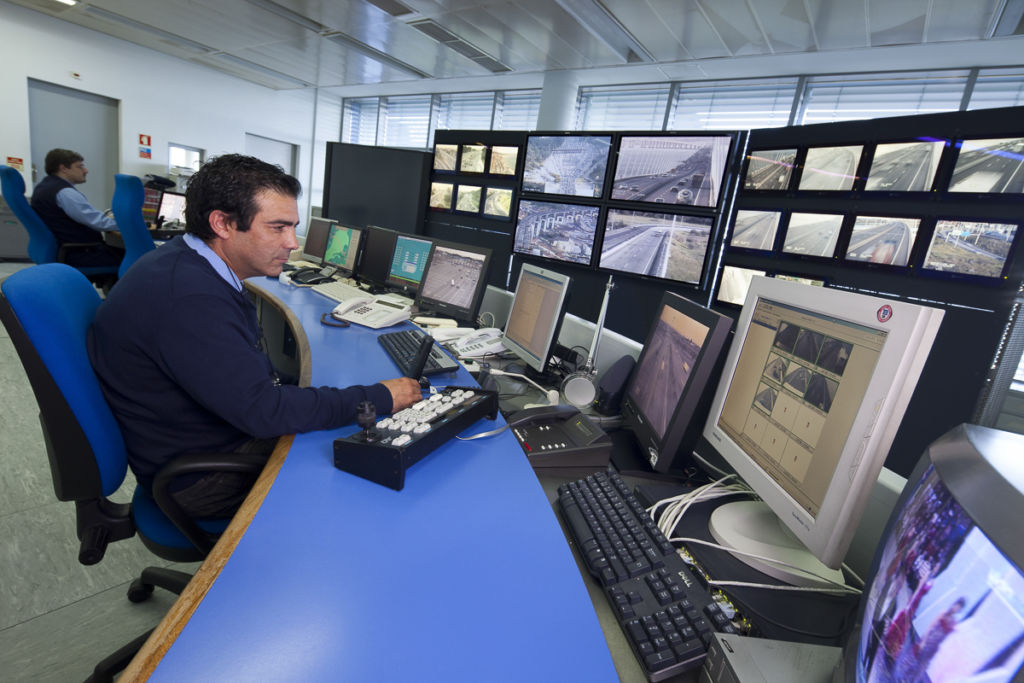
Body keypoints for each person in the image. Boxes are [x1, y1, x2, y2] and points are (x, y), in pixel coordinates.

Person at [87, 154, 421, 519]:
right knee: (378, 477)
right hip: (202, 479)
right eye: (278, 228)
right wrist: (379, 397)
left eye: (293, 227)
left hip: (197, 438)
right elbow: (264, 412)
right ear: (222, 223)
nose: (293, 243)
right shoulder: (190, 299)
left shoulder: (185, 265)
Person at [30, 148, 123, 268]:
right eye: (80, 167)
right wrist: (130, 225)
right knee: (135, 259)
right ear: (63, 168)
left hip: (66, 250)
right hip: (80, 254)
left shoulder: (44, 186)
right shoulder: (65, 192)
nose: (85, 171)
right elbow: (97, 222)